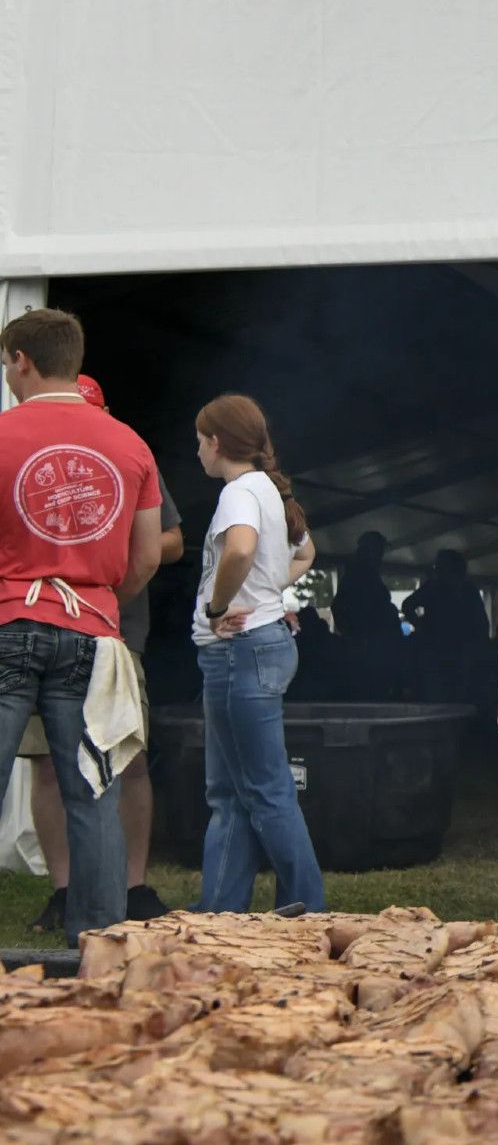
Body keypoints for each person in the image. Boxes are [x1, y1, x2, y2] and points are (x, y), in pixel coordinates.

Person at [0, 310, 162, 944]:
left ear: (21, 361)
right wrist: (97, 598)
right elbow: (147, 554)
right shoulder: (129, 443)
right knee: (93, 789)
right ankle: (99, 939)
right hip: (93, 634)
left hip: (11, 620)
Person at [24, 374, 181, 935]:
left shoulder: (126, 449)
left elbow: (170, 540)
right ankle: (66, 891)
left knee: (125, 761)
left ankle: (132, 886)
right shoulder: (35, 453)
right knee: (47, 766)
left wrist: (110, 560)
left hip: (115, 635)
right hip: (44, 623)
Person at [192, 393, 324, 913]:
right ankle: (221, 912)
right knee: (234, 794)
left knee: (265, 791)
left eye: (200, 441)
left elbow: (241, 548)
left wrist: (217, 604)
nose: (197, 452)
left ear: (217, 442)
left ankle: (307, 912)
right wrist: (268, 591)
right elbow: (307, 552)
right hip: (259, 646)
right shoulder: (270, 490)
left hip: (237, 652)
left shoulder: (239, 493)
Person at [402, 549, 488, 705]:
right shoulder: (440, 588)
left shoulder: (462, 590)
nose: (437, 570)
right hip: (441, 653)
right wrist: (420, 626)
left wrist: (420, 625)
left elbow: (481, 626)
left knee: (450, 696)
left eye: (440, 566)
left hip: (455, 653)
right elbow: (407, 605)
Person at [332, 530, 401, 699]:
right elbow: (340, 607)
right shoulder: (359, 575)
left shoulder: (364, 573)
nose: (381, 556)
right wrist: (356, 638)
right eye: (379, 550)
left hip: (373, 645)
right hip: (367, 647)